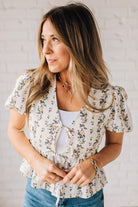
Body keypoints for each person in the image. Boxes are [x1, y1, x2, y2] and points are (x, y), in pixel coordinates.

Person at [5, 3, 133, 207]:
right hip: (38, 195)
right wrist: (36, 162)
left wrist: (94, 163)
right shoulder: (30, 84)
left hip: (87, 199)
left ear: (79, 41)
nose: (46, 50)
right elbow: (14, 129)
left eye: (55, 39)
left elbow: (115, 145)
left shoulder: (109, 97)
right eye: (43, 39)